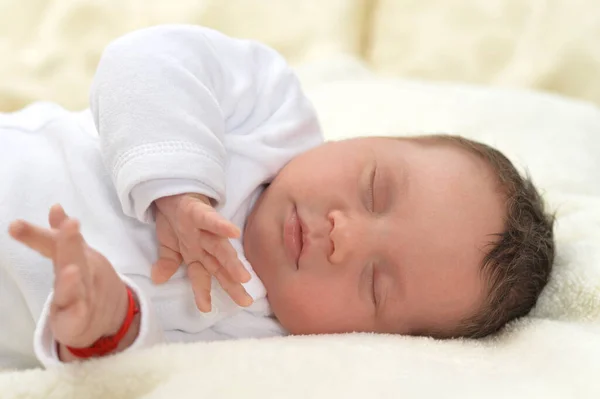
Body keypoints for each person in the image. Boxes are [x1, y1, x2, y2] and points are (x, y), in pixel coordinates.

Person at [0, 25, 555, 370]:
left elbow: (148, 368)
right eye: (374, 189)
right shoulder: (267, 113)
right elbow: (141, 61)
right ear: (361, 139)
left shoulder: (260, 338)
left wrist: (106, 321)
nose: (345, 236)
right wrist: (177, 186)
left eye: (375, 283)